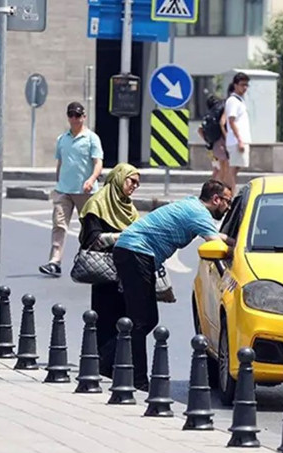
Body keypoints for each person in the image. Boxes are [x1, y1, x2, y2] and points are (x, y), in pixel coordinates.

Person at [113, 179, 235, 390]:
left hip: (134, 253)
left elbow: (219, 236)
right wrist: (239, 252)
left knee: (145, 319)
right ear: (216, 199)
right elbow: (215, 243)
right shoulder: (197, 213)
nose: (228, 208)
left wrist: (237, 241)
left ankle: (113, 364)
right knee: (141, 320)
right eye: (227, 202)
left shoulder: (194, 207)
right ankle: (136, 379)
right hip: (136, 252)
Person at [77, 163, 141, 377]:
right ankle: (103, 368)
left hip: (126, 272)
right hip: (104, 272)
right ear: (119, 178)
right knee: (105, 319)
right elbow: (91, 239)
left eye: (137, 184)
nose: (134, 187)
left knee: (126, 320)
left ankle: (120, 366)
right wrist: (120, 237)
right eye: (132, 181)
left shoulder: (129, 208)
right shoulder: (97, 204)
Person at [39, 102, 104, 277]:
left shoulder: (91, 138)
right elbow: (60, 162)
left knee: (89, 227)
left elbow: (98, 162)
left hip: (86, 192)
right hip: (64, 191)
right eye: (71, 115)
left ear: (83, 117)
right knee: (59, 225)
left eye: (77, 115)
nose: (74, 119)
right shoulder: (62, 139)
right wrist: (58, 183)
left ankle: (91, 260)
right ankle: (55, 262)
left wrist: (91, 179)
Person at [225, 73, 252, 190]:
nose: (244, 88)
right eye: (242, 85)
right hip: (236, 140)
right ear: (235, 85)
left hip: (240, 139)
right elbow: (231, 121)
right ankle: (231, 194)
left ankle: (230, 191)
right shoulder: (233, 101)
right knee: (233, 169)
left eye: (246, 85)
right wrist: (239, 140)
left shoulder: (240, 100)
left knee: (237, 168)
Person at [197, 93, 229, 183]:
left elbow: (199, 130)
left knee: (216, 169)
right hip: (219, 144)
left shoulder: (209, 115)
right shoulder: (218, 113)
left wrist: (207, 140)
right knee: (222, 169)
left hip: (210, 147)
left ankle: (212, 186)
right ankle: (216, 187)